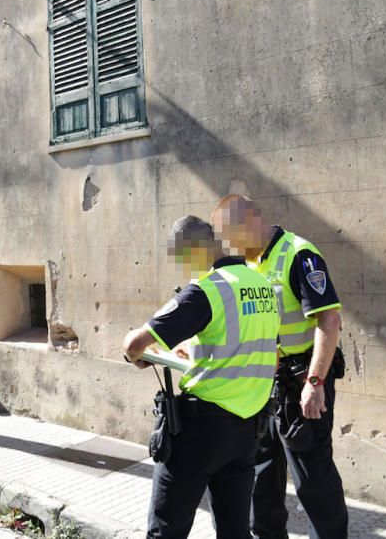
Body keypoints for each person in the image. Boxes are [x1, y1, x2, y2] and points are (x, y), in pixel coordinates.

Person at [123, 215, 279, 538]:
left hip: (201, 431)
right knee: (235, 531)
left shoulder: (206, 290)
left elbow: (134, 344)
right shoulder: (263, 285)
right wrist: (194, 355)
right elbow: (255, 348)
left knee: (166, 529)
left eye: (181, 257)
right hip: (248, 429)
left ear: (192, 249)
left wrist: (135, 355)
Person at [211, 194, 348, 539]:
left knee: (313, 479)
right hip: (265, 385)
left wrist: (315, 383)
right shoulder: (249, 264)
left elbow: (329, 320)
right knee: (261, 478)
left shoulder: (298, 254)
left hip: (302, 382)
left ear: (251, 221)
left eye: (232, 235)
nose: (230, 245)